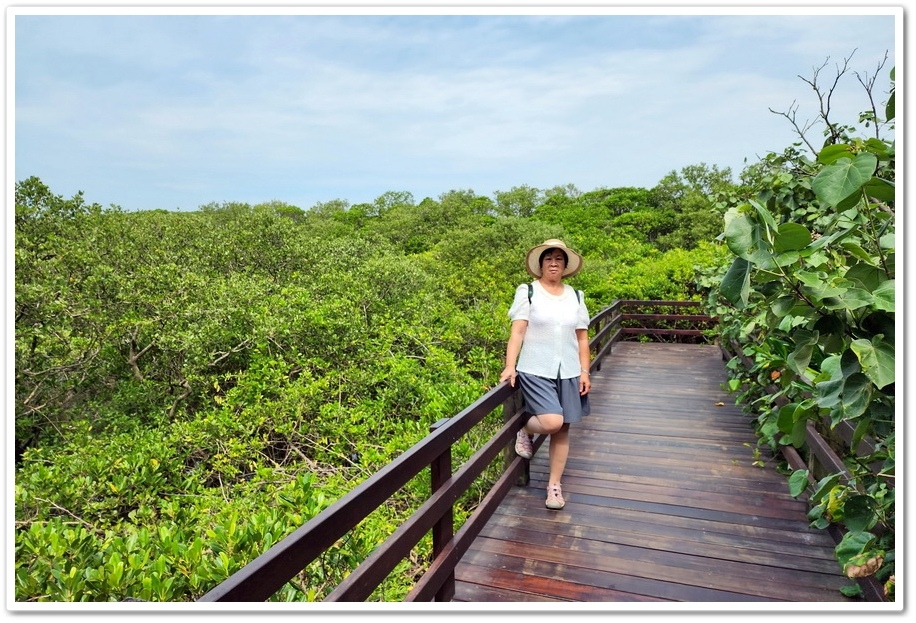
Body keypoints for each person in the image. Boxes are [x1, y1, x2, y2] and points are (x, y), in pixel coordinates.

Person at [499, 239, 591, 510]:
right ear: (540, 265)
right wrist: (509, 365)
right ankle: (524, 427)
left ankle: (554, 486)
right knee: (552, 422)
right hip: (536, 368)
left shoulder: (576, 295)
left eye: (559, 259)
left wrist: (585, 370)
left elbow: (582, 338)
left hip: (570, 371)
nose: (553, 262)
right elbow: (518, 331)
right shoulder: (528, 291)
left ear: (565, 266)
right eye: (548, 258)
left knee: (563, 430)